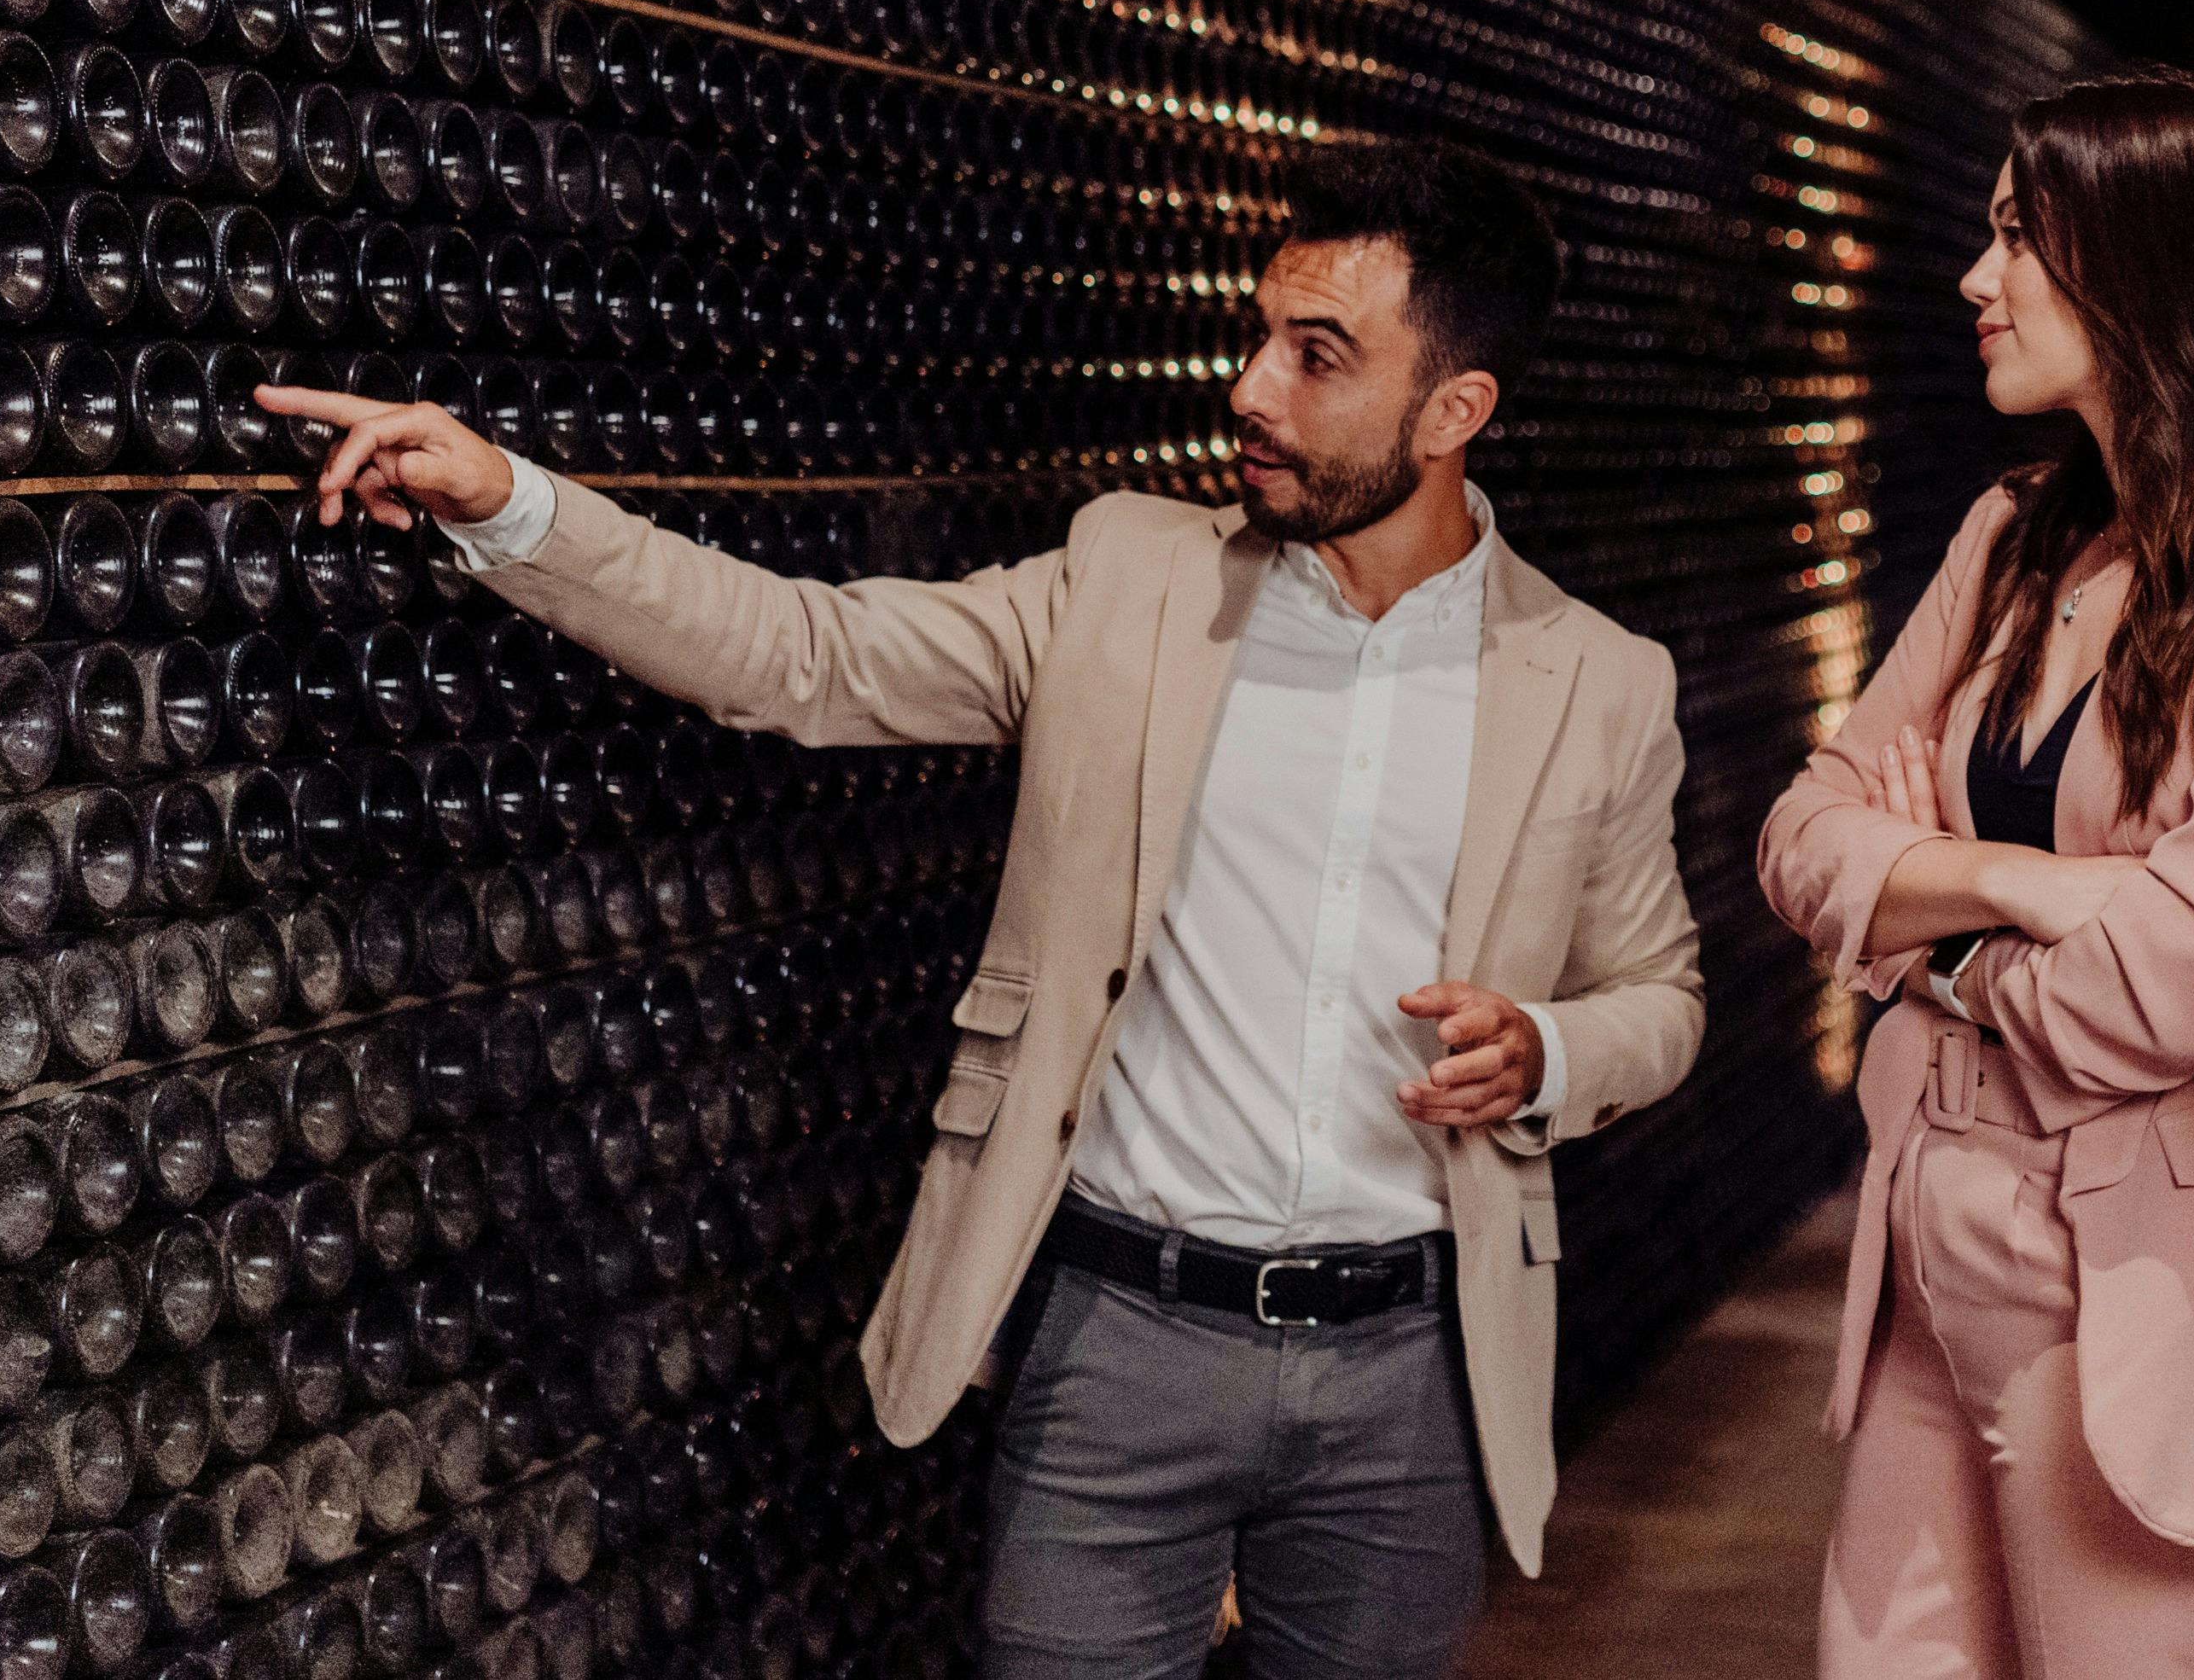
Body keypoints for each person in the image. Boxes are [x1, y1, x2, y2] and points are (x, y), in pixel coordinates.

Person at [259, 138, 1707, 1680]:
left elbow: (1663, 995)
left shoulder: (1598, 681)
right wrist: (515, 505)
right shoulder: (1125, 579)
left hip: (1413, 1376)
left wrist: (1550, 1049)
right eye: (1260, 334)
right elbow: (799, 655)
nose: (1251, 390)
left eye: (1316, 354)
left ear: (1455, 409)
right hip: (1119, 1342)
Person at [1760, 70, 2194, 1680]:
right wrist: (2018, 881)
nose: (1979, 280)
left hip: (2140, 1275)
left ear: (2146, 265)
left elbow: (2179, 974)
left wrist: (1921, 929)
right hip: (1929, 1229)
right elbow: (1801, 835)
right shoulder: (2011, 535)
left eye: (2018, 237)